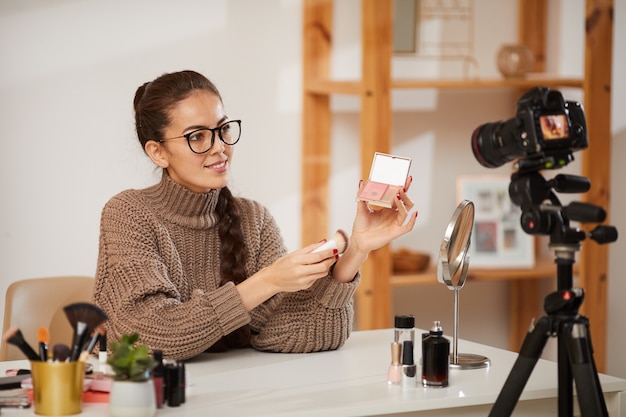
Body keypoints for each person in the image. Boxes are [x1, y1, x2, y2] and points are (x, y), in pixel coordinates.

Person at [92, 70, 418, 360]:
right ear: (158, 152)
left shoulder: (253, 218)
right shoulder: (128, 215)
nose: (219, 147)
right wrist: (267, 281)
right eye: (197, 137)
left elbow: (296, 335)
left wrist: (356, 252)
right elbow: (147, 338)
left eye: (222, 129)